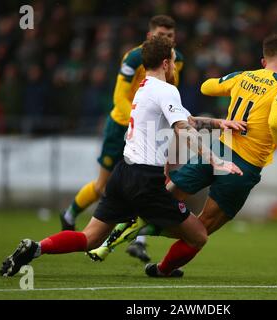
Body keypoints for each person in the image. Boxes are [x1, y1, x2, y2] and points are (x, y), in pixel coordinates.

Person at [0, 36, 245, 278]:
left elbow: (188, 120)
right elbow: (183, 128)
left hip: (122, 173)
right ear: (165, 63)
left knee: (89, 237)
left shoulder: (143, 89)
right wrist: (216, 160)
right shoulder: (166, 90)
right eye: (172, 60)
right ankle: (144, 240)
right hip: (145, 181)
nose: (175, 66)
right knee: (198, 235)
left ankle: (37, 247)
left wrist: (220, 123)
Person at [88, 34, 277, 278]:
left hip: (218, 149)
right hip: (243, 165)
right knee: (201, 229)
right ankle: (163, 269)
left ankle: (122, 232)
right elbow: (276, 121)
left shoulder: (244, 76)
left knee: (164, 198)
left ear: (263, 60)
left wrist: (236, 87)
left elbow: (207, 86)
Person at [60, 15, 185, 263]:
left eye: (170, 36)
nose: (167, 40)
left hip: (151, 129)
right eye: (162, 35)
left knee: (150, 182)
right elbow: (119, 96)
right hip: (122, 125)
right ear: (150, 36)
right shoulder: (133, 57)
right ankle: (70, 213)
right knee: (102, 187)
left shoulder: (176, 59)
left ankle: (138, 242)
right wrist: (138, 120)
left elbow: (171, 91)